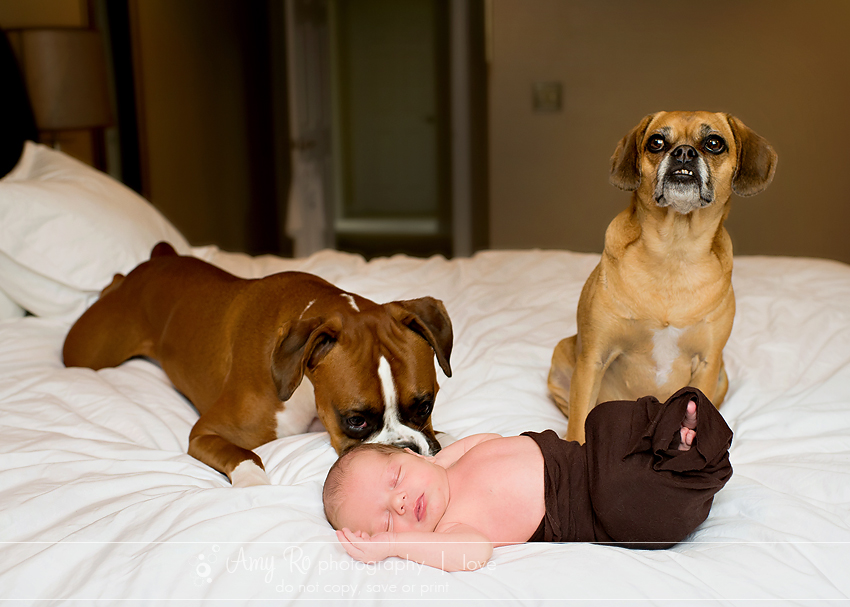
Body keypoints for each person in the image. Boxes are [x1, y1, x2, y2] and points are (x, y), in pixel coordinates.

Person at [323, 387, 733, 572]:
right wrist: (396, 545)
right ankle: (685, 456)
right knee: (623, 491)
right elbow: (473, 555)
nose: (398, 502)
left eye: (395, 476)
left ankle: (677, 438)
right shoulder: (452, 528)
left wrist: (439, 463)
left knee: (606, 417)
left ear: (413, 455)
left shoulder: (447, 464)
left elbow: (490, 441)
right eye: (387, 521)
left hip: (587, 457)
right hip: (600, 510)